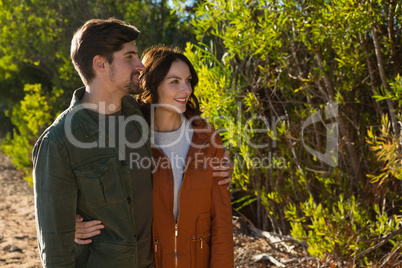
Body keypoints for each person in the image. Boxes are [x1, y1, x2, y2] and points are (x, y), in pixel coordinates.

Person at [33, 18, 233, 268]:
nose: (140, 65)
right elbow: (54, 249)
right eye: (130, 57)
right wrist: (65, 225)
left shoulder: (137, 117)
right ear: (100, 64)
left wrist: (221, 162)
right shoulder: (59, 141)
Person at [76, 46, 235, 267]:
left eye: (188, 81)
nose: (186, 89)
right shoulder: (129, 139)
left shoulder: (207, 139)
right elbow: (102, 195)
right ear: (152, 84)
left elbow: (222, 225)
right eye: (174, 81)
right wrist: (72, 220)